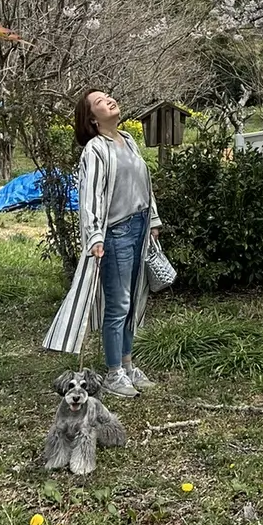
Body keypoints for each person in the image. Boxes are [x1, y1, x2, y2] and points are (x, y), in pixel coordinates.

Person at [42, 89, 164, 397]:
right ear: (92, 119)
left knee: (133, 300)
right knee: (118, 304)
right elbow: (91, 196)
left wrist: (153, 220)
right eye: (99, 102)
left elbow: (143, 187)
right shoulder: (95, 149)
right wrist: (95, 235)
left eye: (108, 97)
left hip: (138, 227)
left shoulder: (129, 141)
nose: (108, 100)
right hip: (116, 233)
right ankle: (113, 373)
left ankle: (127, 363)